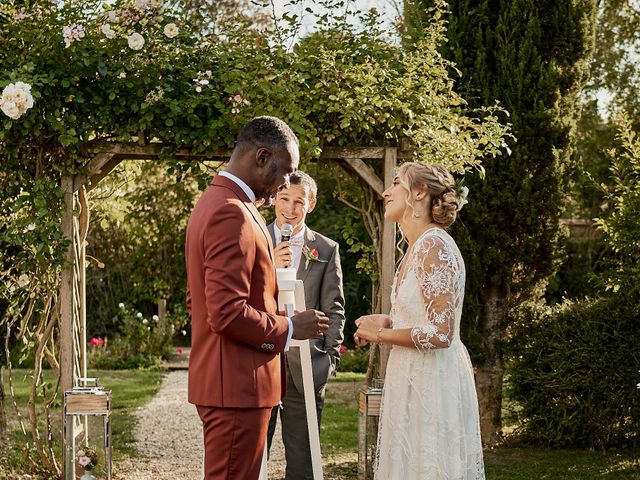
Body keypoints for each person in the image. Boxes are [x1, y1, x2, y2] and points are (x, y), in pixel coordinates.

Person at [185, 116, 331, 480]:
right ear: (262, 157)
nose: (286, 183)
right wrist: (289, 326)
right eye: (286, 173)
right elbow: (225, 312)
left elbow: (197, 299)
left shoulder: (223, 202)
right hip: (236, 386)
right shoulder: (229, 212)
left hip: (234, 382)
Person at [354, 162, 484, 479]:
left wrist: (381, 336)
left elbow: (441, 333)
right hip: (411, 377)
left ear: (419, 192)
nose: (386, 191)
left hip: (431, 383)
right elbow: (420, 315)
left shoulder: (433, 245)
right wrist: (385, 321)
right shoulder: (416, 247)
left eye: (395, 183)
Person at [265, 172, 346, 480]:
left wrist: (329, 359)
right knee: (254, 454)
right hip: (264, 359)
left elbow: (334, 309)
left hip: (307, 366)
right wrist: (270, 266)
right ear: (274, 198)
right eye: (284, 199)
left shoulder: (325, 249)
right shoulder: (256, 239)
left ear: (310, 204)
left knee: (303, 461)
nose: (290, 208)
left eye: (299, 201)